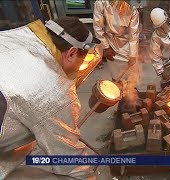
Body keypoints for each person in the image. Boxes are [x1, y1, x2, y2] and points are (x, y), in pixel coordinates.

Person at [0, 16, 101, 179]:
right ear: (72, 53)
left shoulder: (15, 36)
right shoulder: (52, 88)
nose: (79, 68)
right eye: (81, 62)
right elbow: (70, 161)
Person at [93, 0, 139, 82]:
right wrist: (106, 47)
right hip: (110, 42)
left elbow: (133, 34)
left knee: (130, 74)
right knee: (116, 75)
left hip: (126, 42)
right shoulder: (101, 3)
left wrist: (133, 54)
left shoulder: (133, 8)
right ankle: (116, 88)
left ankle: (131, 89)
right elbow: (98, 28)